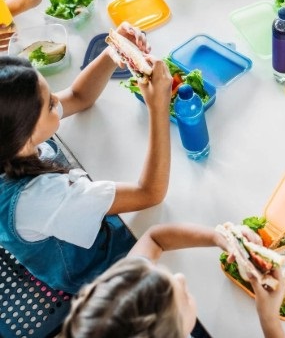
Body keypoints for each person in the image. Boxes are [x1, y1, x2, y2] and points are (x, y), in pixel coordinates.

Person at [0, 22, 173, 294]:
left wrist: (112, 51)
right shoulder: (40, 198)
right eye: (50, 105)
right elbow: (151, 192)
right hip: (97, 269)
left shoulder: (10, 138)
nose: (58, 101)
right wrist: (158, 107)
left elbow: (79, 96)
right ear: (25, 134)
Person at [60, 223, 285, 338]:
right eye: (185, 297)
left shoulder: (126, 293)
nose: (180, 277)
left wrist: (217, 237)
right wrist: (269, 319)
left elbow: (155, 238)